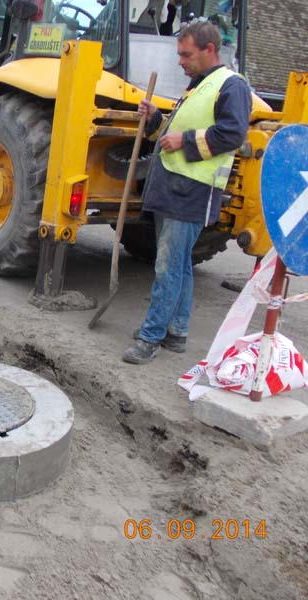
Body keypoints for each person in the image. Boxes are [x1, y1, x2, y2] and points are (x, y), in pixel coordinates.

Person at [122, 21, 251, 365]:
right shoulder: (198, 86)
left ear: (210, 50)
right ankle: (176, 331)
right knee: (178, 264)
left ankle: (151, 337)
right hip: (173, 186)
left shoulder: (230, 86)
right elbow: (172, 133)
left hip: (191, 191)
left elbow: (232, 135)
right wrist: (155, 119)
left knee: (168, 267)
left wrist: (186, 140)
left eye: (186, 54)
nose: (180, 60)